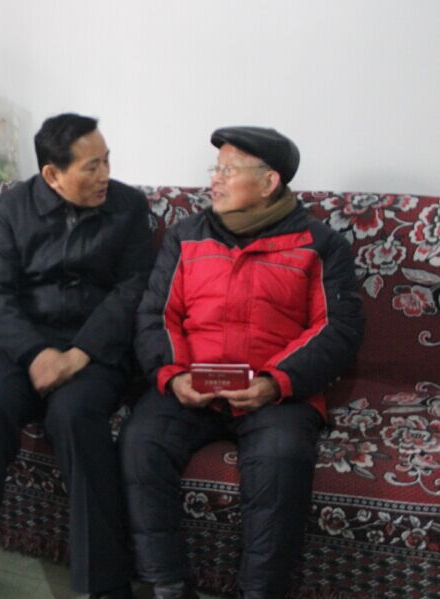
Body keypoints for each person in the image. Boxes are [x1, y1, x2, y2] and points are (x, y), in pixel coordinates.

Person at [121, 127, 365, 598]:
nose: (214, 180)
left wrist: (277, 381)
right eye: (216, 169)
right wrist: (174, 376)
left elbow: (338, 328)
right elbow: (156, 315)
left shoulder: (320, 245)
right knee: (140, 441)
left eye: (228, 171)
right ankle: (168, 585)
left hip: (275, 393)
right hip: (192, 383)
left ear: (269, 182)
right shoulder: (186, 236)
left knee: (281, 458)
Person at [0, 113, 156, 599]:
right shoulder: (11, 209)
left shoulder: (128, 207)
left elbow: (132, 289)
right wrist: (35, 353)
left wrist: (80, 353)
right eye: (91, 167)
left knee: (75, 417)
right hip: (23, 345)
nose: (105, 175)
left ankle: (104, 582)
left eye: (107, 161)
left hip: (95, 349)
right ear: (53, 174)